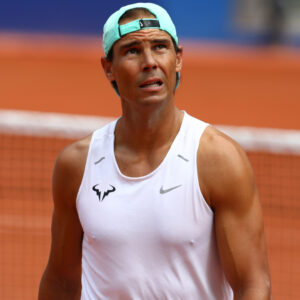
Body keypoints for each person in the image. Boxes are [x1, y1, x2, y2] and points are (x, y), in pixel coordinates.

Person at [39, 3, 271, 299]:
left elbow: (252, 283)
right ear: (108, 67)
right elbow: (60, 282)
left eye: (160, 47)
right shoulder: (77, 165)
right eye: (132, 50)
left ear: (178, 60)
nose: (149, 62)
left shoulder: (218, 160)